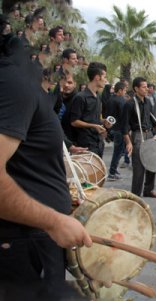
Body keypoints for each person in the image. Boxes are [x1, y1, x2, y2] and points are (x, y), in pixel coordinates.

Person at [0, 17, 91, 299]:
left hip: (32, 237)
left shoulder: (27, 88)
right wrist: (53, 221)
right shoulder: (12, 84)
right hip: (25, 240)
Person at [122, 77, 156, 198]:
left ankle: (148, 190)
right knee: (139, 167)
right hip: (137, 135)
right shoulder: (129, 104)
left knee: (152, 163)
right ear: (136, 88)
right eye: (144, 87)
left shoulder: (148, 101)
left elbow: (153, 120)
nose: (147, 89)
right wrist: (128, 143)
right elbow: (124, 126)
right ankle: (135, 195)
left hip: (150, 134)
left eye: (147, 87)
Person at [71, 62, 111, 157]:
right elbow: (74, 121)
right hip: (86, 145)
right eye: (104, 77)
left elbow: (93, 118)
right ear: (97, 77)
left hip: (98, 143)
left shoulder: (98, 96)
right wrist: (93, 126)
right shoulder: (80, 97)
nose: (106, 80)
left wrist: (103, 121)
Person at [106, 81, 127, 180]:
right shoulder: (120, 100)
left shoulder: (110, 99)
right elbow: (124, 115)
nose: (125, 92)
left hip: (114, 128)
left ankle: (114, 169)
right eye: (124, 90)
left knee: (119, 151)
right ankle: (112, 172)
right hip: (120, 129)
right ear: (120, 90)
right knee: (118, 152)